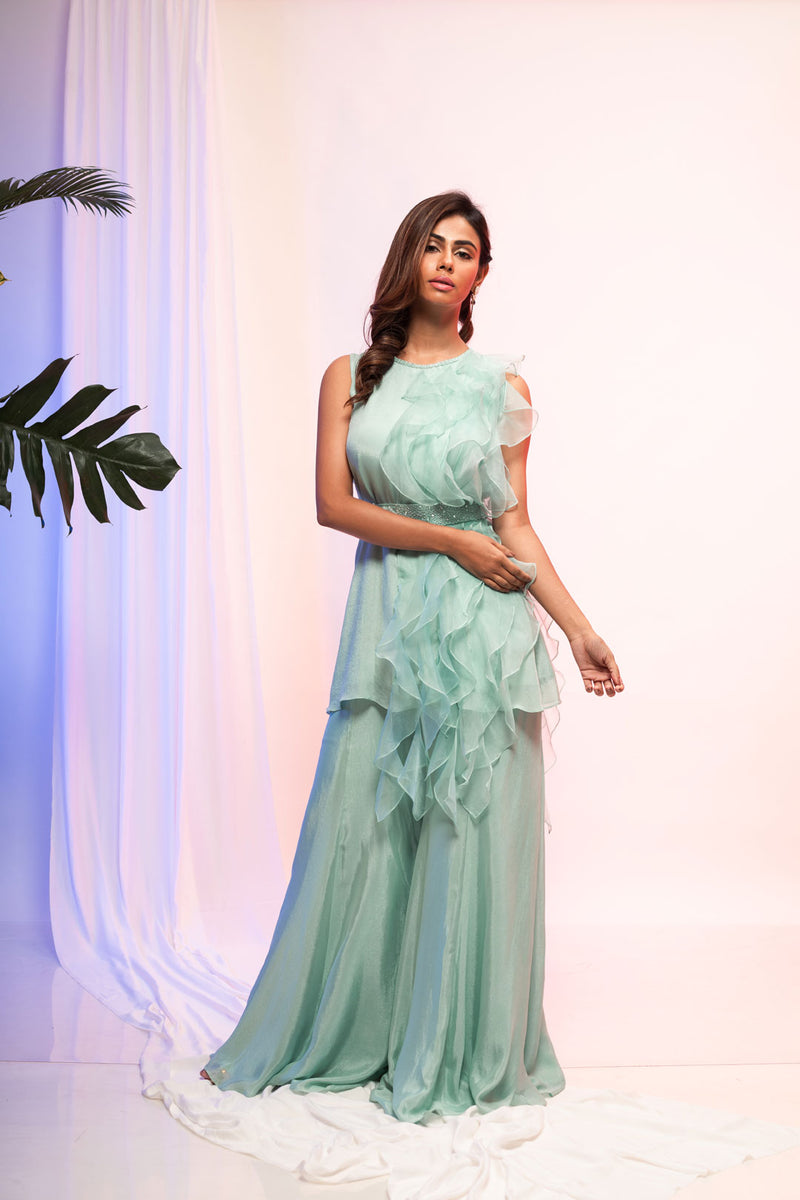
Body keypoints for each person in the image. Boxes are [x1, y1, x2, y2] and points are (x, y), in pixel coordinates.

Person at [200, 190, 624, 1123]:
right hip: (389, 629)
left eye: (465, 251)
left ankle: (459, 1045)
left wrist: (578, 627)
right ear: (409, 258)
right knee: (367, 823)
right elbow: (334, 505)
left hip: (484, 635)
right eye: (433, 245)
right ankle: (360, 1027)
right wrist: (450, 542)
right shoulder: (350, 377)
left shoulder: (504, 388)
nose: (447, 261)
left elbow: (513, 525)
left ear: (481, 275)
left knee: (471, 834)